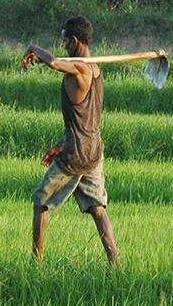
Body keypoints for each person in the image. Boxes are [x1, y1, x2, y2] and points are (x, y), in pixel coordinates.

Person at [22, 16, 118, 265]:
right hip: (93, 149)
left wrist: (34, 48)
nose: (64, 46)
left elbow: (53, 62)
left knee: (41, 201)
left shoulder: (81, 68)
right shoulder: (96, 70)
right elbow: (83, 121)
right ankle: (114, 263)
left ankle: (36, 263)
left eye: (65, 41)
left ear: (75, 41)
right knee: (98, 208)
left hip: (76, 154)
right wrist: (60, 144)